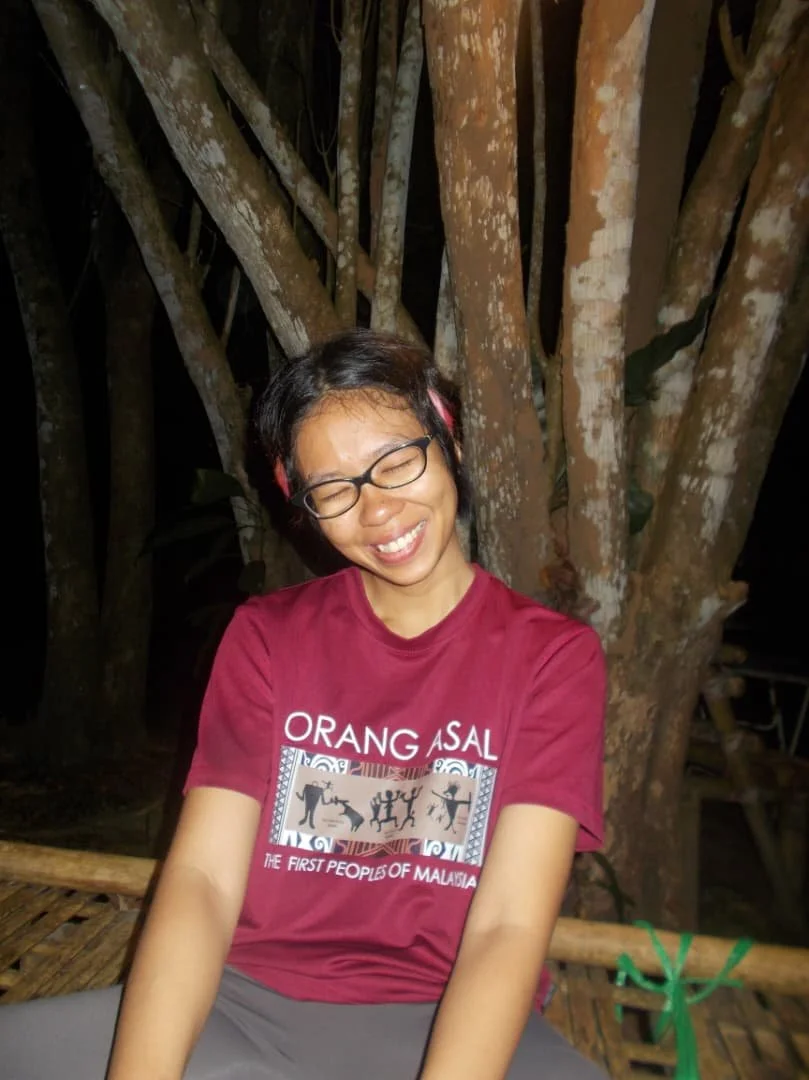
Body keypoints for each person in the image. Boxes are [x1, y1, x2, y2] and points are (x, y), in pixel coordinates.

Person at [1, 329, 607, 1080]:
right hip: (245, 1008)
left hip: (446, 1012)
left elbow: (507, 927)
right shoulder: (268, 637)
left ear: (447, 438)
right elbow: (203, 882)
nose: (377, 509)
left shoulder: (551, 657)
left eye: (397, 461)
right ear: (304, 503)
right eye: (334, 489)